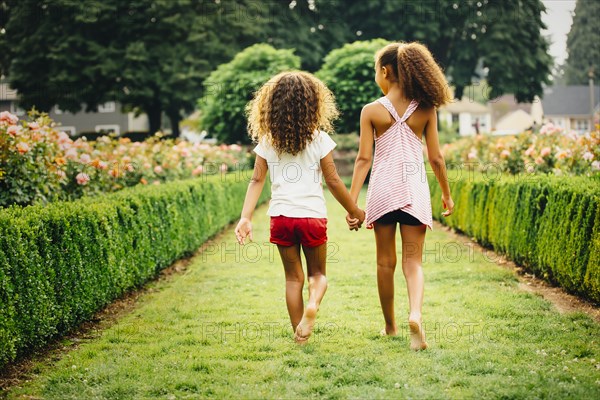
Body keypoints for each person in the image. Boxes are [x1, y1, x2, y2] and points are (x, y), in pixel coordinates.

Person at [235, 71, 365, 344]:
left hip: (281, 217)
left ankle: (300, 334)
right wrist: (355, 210)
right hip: (312, 217)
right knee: (318, 274)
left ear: (271, 105)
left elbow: (256, 180)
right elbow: (333, 181)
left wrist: (245, 217)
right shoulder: (319, 140)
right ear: (313, 103)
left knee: (293, 279)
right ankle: (313, 304)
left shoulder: (268, 141)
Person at [346, 42, 455, 351]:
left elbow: (363, 160)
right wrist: (446, 195)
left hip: (382, 191)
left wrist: (353, 204)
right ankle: (416, 314)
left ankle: (390, 327)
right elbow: (436, 158)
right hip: (413, 191)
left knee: (384, 262)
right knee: (414, 262)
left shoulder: (371, 110)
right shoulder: (426, 107)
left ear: (385, 71)